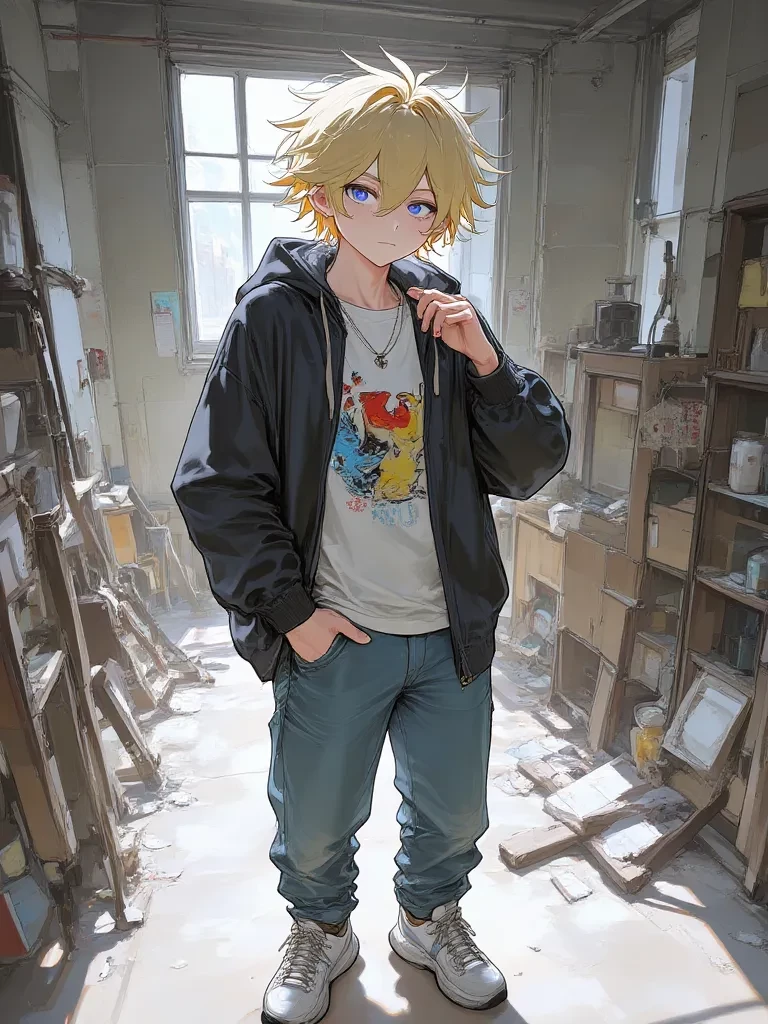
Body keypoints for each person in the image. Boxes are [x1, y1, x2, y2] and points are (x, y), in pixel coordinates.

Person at [172, 50, 569, 1024]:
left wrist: (487, 365)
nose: (396, 216)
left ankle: (429, 920)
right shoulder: (275, 319)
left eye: (421, 201)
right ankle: (321, 929)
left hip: (448, 629)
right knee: (314, 823)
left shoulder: (444, 316)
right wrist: (291, 613)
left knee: (455, 813)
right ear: (323, 192)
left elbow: (529, 465)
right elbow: (216, 482)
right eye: (369, 190)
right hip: (336, 629)